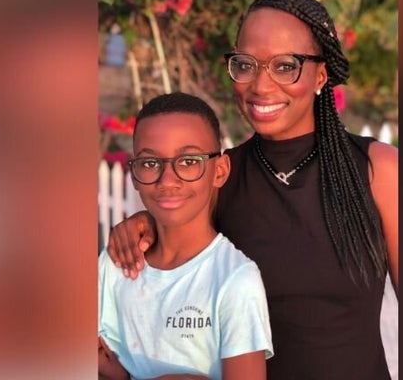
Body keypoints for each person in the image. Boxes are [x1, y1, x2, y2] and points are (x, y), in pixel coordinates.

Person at [108, 0, 398, 379]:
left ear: (321, 74)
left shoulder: (378, 170)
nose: (260, 86)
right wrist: (142, 224)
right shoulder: (220, 179)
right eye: (246, 65)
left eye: (284, 66)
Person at [98, 92, 274, 380]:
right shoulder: (115, 263)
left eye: (189, 161)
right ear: (134, 176)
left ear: (219, 171)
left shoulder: (234, 279)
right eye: (151, 163)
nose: (168, 180)